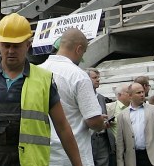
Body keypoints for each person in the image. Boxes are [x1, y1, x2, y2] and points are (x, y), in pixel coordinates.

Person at [0, 12, 84, 166]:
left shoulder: (43, 80)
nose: (10, 51)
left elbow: (63, 127)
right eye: (6, 45)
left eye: (16, 46)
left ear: (27, 45)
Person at [40, 29, 107, 166]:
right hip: (74, 156)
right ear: (79, 49)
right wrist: (101, 123)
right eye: (83, 52)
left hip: (44, 155)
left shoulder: (38, 71)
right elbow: (93, 121)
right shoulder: (78, 76)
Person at [117, 82, 154, 166]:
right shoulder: (122, 115)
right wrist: (120, 163)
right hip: (133, 158)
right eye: (138, 93)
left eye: (143, 92)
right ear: (130, 96)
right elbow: (120, 142)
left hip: (153, 157)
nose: (142, 94)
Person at [91, 69, 116, 166]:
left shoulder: (101, 97)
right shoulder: (80, 97)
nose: (98, 80)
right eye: (94, 78)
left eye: (98, 77)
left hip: (103, 139)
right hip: (89, 138)